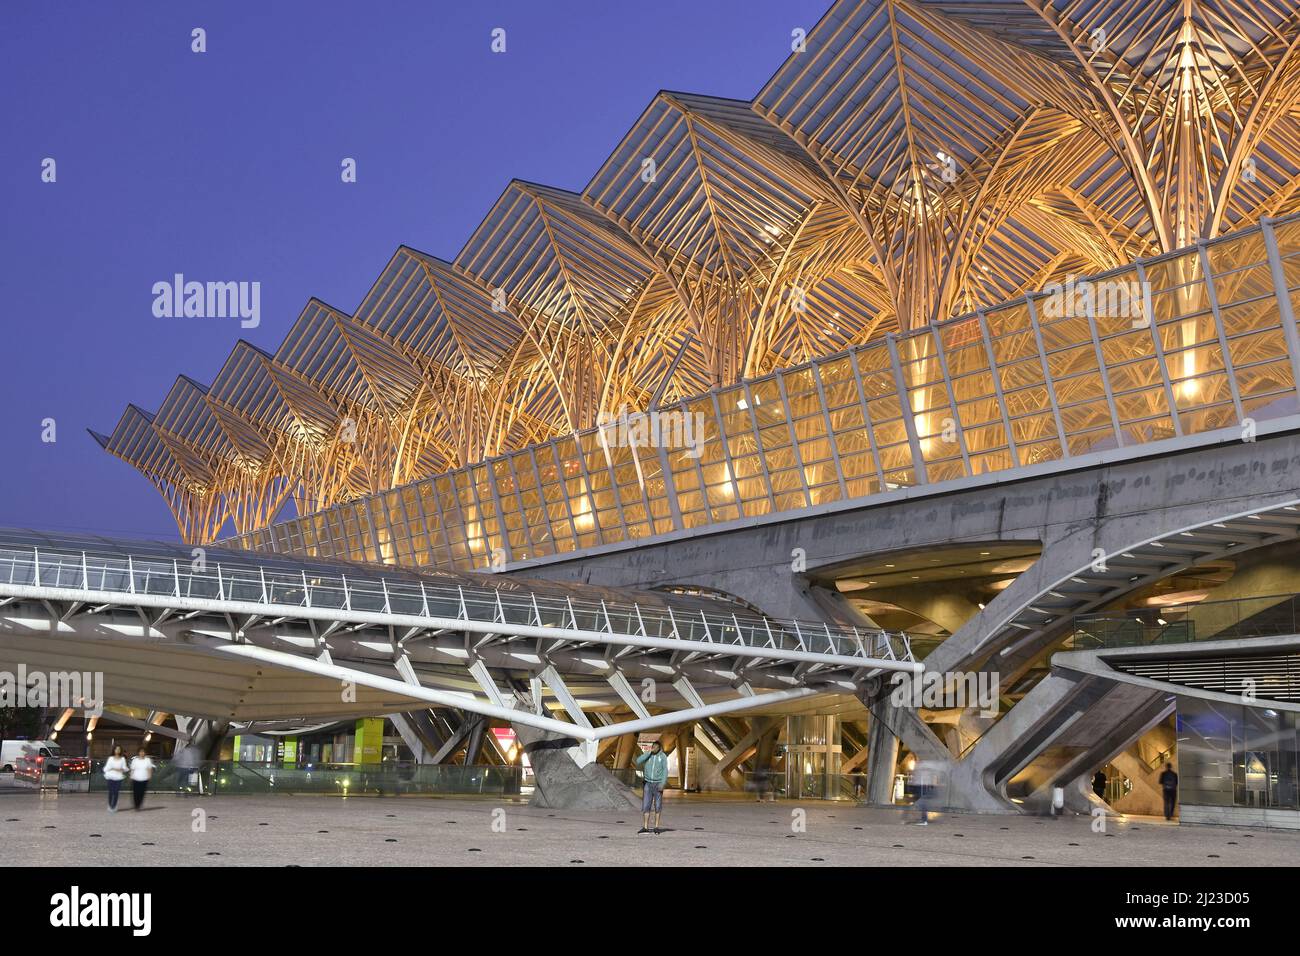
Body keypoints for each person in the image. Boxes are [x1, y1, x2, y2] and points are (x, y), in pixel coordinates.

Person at [634, 740, 669, 834]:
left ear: (659, 748)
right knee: (646, 805)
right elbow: (638, 761)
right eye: (653, 747)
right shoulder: (648, 755)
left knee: (658, 805)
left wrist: (662, 784)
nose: (654, 749)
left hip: (658, 784)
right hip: (648, 783)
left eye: (656, 747)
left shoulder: (662, 757)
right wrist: (649, 752)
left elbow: (665, 770)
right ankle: (645, 827)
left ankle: (656, 827)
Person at [910, 758, 942, 825]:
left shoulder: (925, 764)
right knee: (922, 802)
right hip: (920, 785)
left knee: (923, 803)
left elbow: (931, 775)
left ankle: (924, 820)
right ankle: (923, 818)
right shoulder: (923, 764)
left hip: (922, 785)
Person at [103, 746, 128, 813]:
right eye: (116, 749)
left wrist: (118, 769)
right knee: (111, 792)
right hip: (110, 776)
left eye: (119, 749)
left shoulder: (122, 759)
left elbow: (125, 768)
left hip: (118, 777)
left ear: (120, 751)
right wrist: (113, 769)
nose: (117, 750)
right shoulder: (110, 758)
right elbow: (106, 768)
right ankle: (110, 805)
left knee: (116, 792)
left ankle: (114, 806)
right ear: (114, 750)